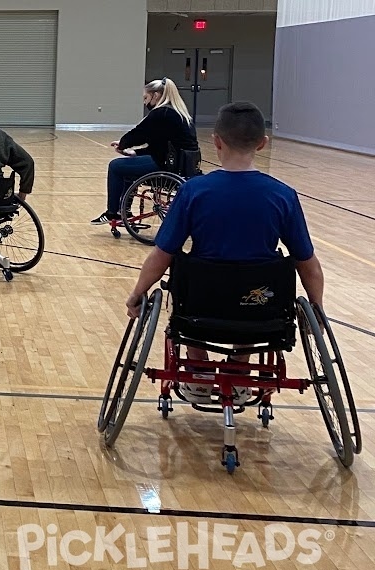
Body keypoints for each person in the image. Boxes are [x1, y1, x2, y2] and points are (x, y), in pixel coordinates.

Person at [124, 102, 325, 403]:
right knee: (258, 286)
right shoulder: (283, 195)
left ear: (216, 141)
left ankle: (198, 368)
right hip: (261, 309)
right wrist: (317, 308)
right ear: (262, 143)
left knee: (185, 276)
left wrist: (138, 292)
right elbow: (307, 263)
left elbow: (162, 255)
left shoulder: (193, 191)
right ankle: (240, 369)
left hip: (200, 306)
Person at [91, 78, 199, 225]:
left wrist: (122, 144)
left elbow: (139, 133)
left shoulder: (161, 113)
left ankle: (112, 212)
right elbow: (159, 144)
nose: (144, 102)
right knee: (129, 167)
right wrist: (136, 153)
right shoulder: (180, 113)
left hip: (167, 165)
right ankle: (125, 210)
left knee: (115, 166)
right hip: (183, 164)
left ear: (155, 96)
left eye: (146, 98)